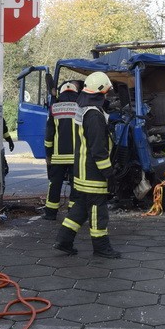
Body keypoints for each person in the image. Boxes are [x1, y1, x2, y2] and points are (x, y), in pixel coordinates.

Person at [54, 72, 122, 259]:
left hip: (82, 171)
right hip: (93, 173)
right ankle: (101, 246)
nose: (108, 97)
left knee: (81, 208)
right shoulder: (94, 115)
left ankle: (64, 240)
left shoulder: (83, 109)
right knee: (98, 211)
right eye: (107, 93)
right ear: (101, 93)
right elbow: (98, 149)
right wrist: (109, 173)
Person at [43, 81, 79, 220]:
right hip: (76, 156)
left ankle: (51, 213)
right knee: (76, 185)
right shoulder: (80, 108)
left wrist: (48, 154)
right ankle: (73, 213)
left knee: (55, 184)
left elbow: (49, 135)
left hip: (58, 157)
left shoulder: (54, 109)